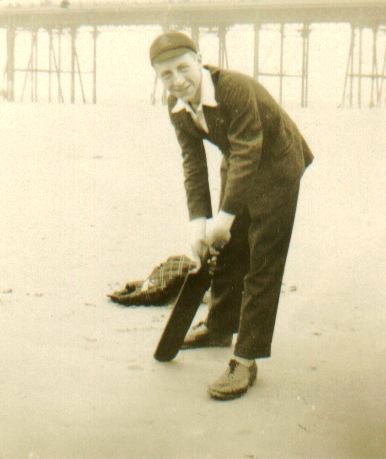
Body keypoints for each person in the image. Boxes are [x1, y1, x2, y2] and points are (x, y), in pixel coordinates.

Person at [149, 31, 313, 400]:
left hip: (277, 164)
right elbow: (193, 163)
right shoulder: (176, 104)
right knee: (227, 250)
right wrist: (200, 225)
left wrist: (223, 217)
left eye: (182, 68)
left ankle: (246, 357)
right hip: (239, 161)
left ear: (199, 60)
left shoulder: (234, 88)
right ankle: (220, 326)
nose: (177, 80)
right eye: (166, 75)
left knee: (261, 258)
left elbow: (250, 150)